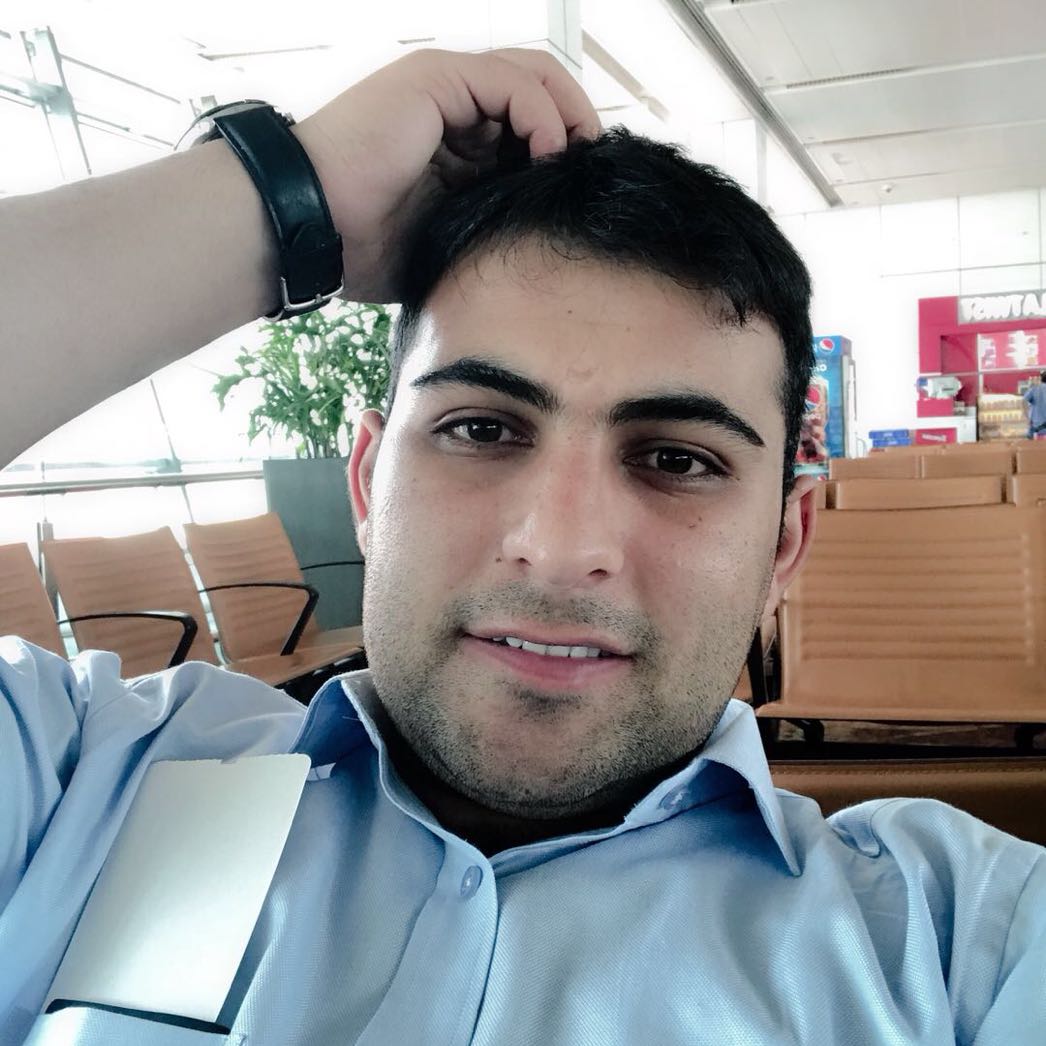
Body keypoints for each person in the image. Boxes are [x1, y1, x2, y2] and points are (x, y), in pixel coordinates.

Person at [0, 47, 1043, 1046]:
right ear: (366, 483)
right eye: (481, 430)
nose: (558, 547)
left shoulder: (963, 948)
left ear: (782, 545)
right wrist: (286, 192)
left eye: (675, 458)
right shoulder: (82, 784)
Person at [1024, 370, 1046, 439]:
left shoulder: (1034, 388)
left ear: (1041, 378)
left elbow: (1024, 401)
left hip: (1037, 428)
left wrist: (1027, 418)